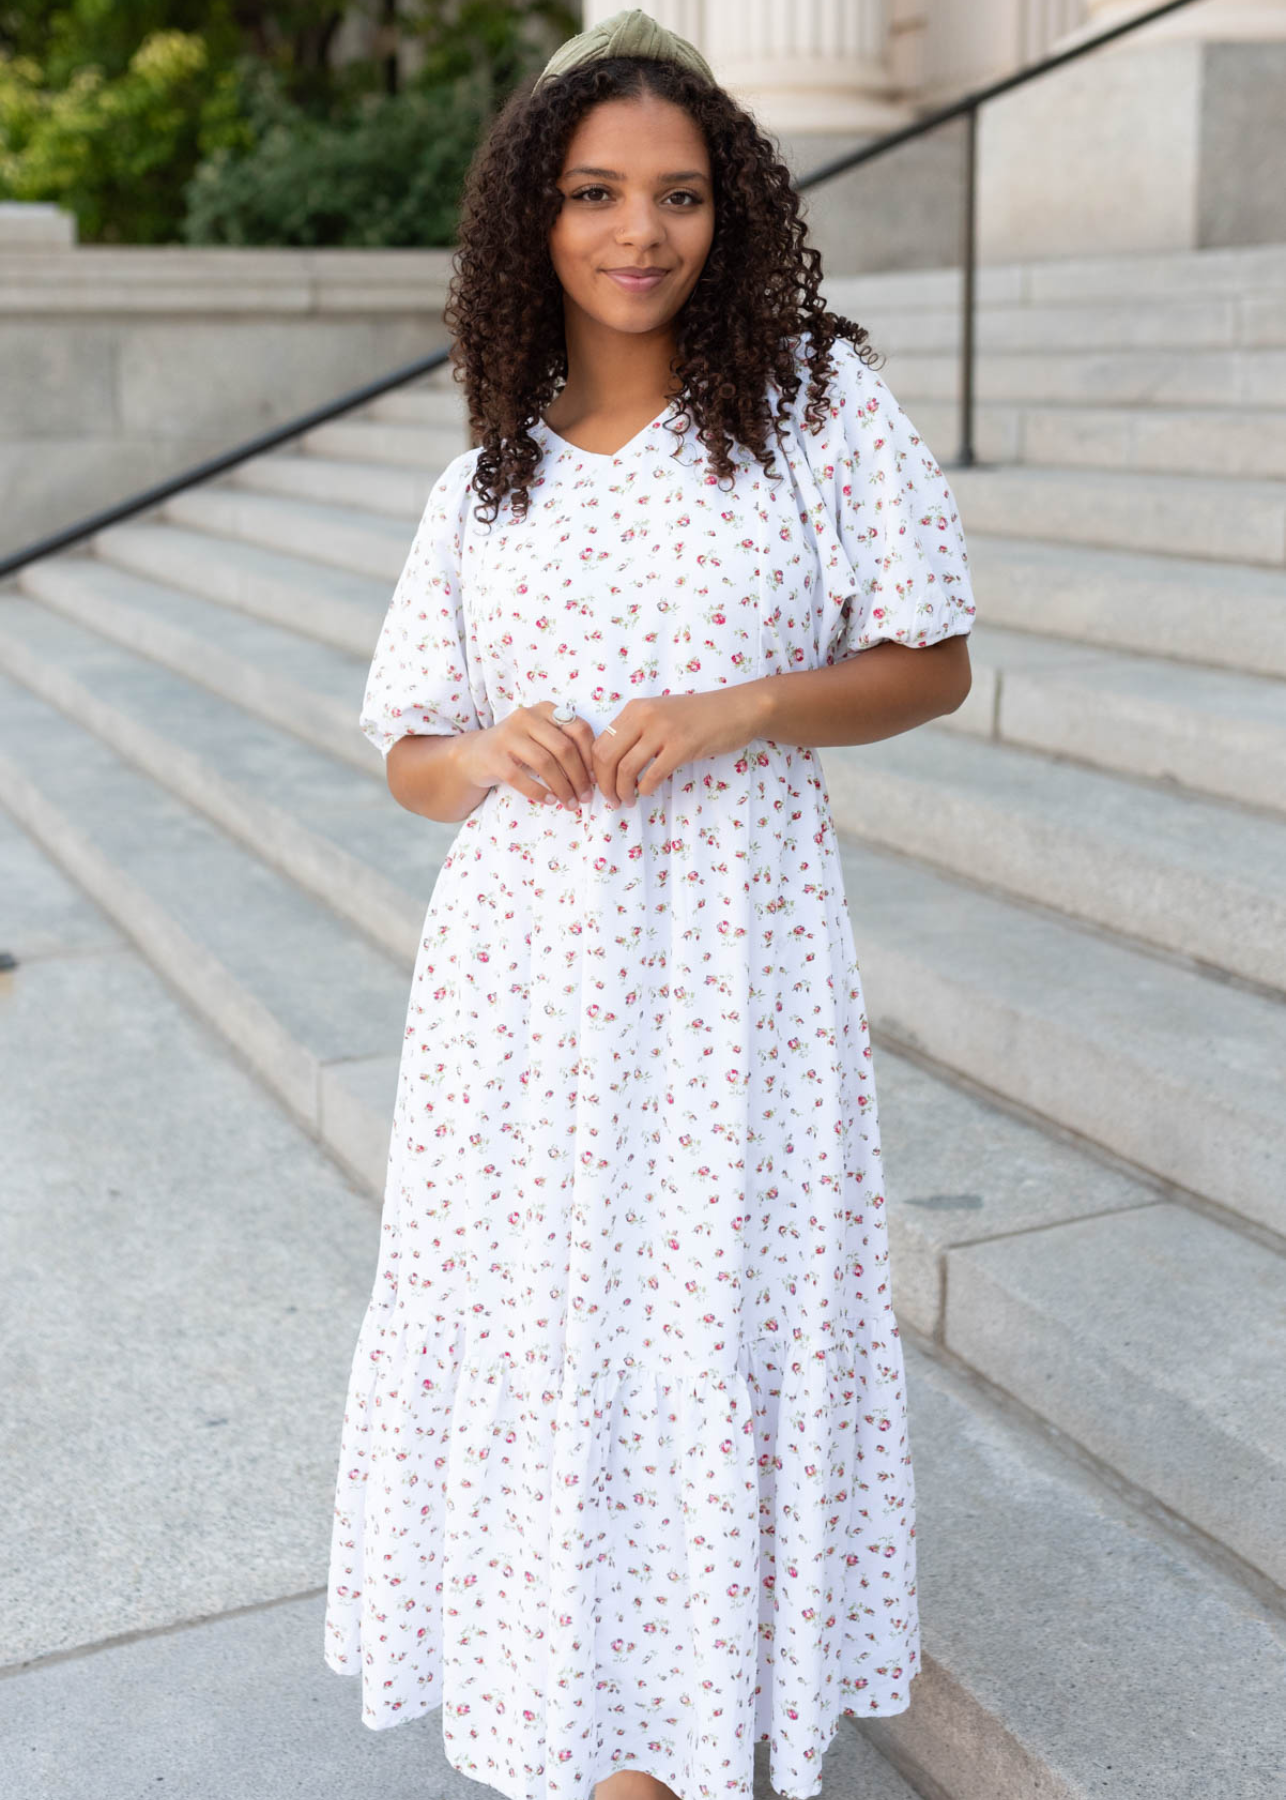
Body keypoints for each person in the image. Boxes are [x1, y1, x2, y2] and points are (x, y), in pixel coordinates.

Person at [322, 11, 976, 1800]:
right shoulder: (488, 480)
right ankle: (586, 1732)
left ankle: (681, 1730)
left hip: (734, 958)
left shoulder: (814, 409)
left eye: (678, 195)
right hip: (523, 980)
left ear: (729, 212)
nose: (639, 232)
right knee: (550, 1332)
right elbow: (408, 756)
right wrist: (485, 749)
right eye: (596, 192)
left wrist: (747, 703)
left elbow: (930, 664)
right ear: (533, 218)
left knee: (708, 1317)